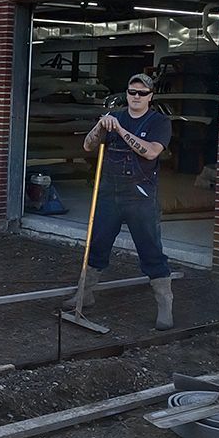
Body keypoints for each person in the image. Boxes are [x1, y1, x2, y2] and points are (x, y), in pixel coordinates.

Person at [65, 72, 174, 329]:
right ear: (126, 93)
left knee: (150, 250)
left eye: (142, 93)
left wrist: (121, 131)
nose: (136, 97)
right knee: (97, 244)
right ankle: (85, 293)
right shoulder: (114, 118)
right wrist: (99, 126)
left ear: (150, 96)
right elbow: (88, 147)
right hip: (108, 195)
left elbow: (150, 152)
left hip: (140, 197)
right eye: (132, 92)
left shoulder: (159, 122)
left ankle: (165, 303)